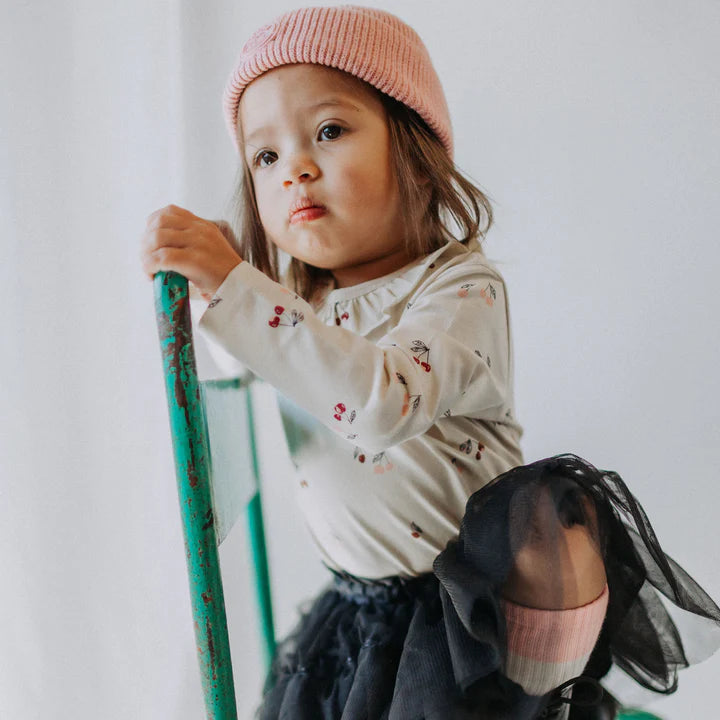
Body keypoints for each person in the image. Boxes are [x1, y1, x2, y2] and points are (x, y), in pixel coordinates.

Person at [140, 6, 720, 719]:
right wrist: (212, 292)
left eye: (328, 131)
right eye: (265, 156)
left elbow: (382, 403)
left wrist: (239, 289)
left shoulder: (458, 290)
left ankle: (548, 703)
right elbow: (230, 351)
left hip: (468, 623)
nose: (295, 168)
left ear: (414, 150)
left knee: (554, 522)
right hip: (360, 610)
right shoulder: (294, 307)